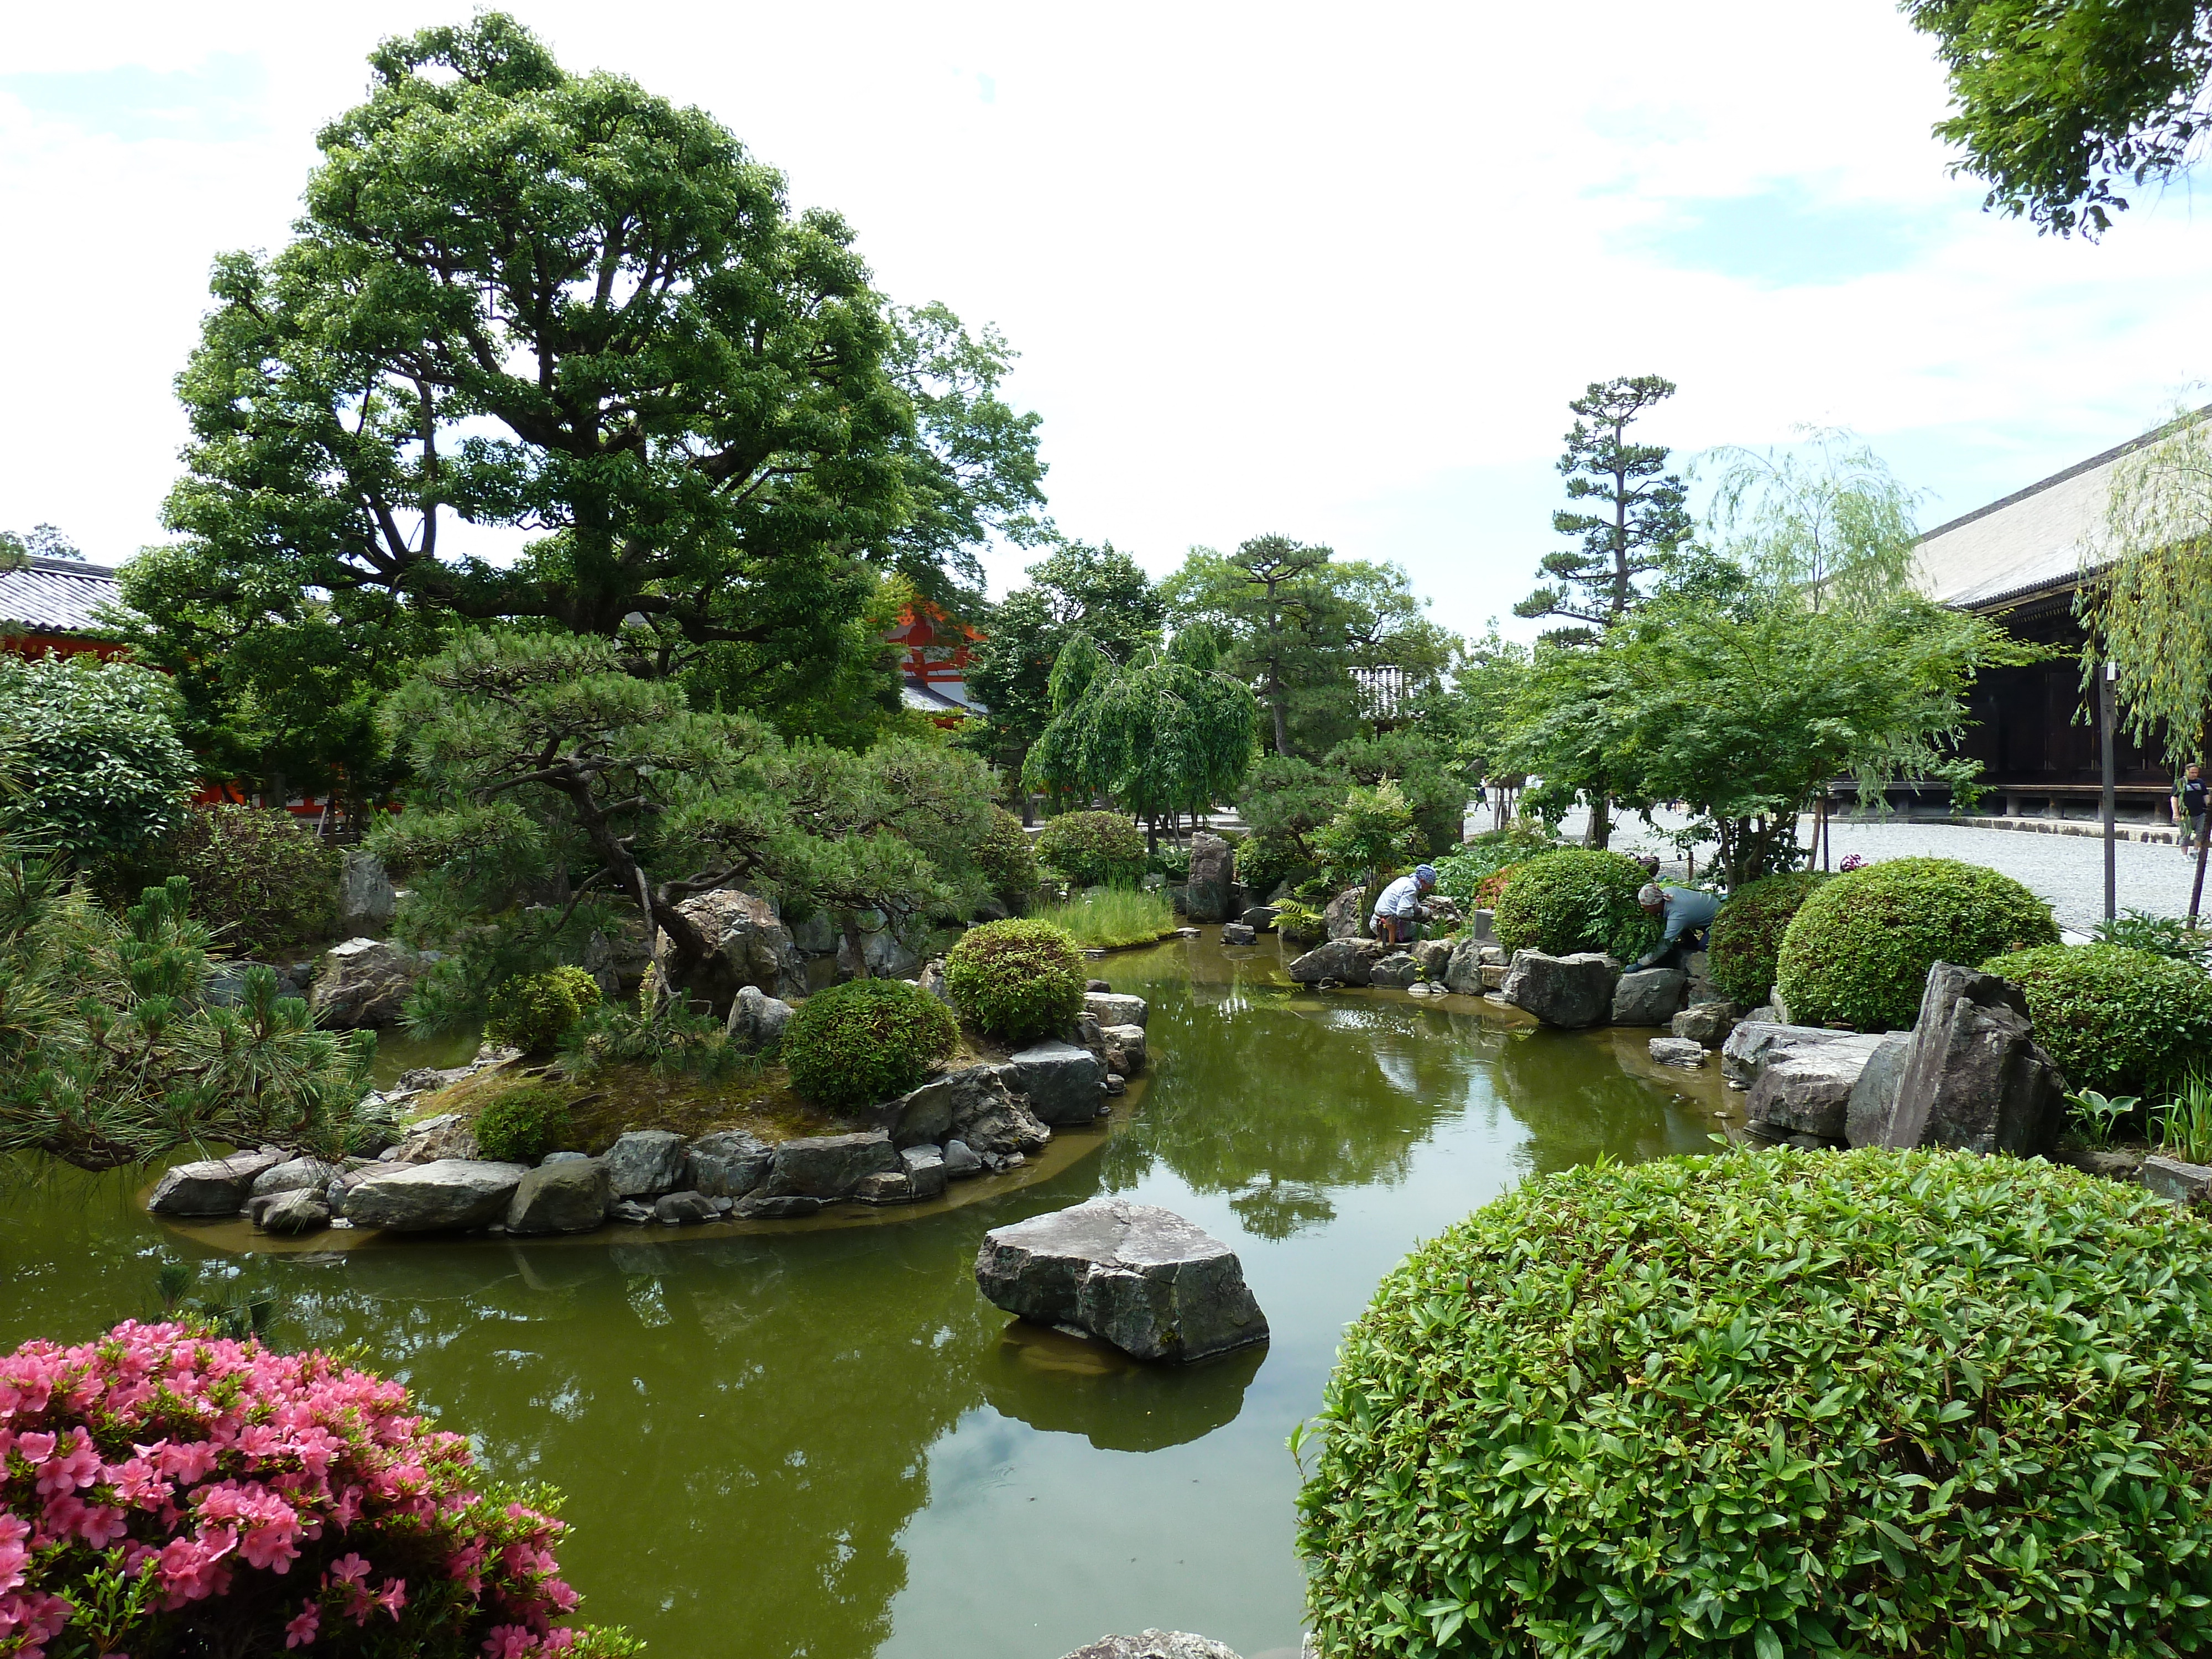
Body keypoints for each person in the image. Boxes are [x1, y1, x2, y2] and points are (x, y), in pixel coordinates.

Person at [1630, 881, 1720, 970]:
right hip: (1706, 910)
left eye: (1646, 907)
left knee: (1705, 946)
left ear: (1656, 904)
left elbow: (1666, 944)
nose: (1645, 910)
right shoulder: (1668, 892)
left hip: (1719, 918)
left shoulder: (1677, 915)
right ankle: (1692, 946)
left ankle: (1711, 966)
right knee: (1680, 930)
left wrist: (1642, 963)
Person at [1370, 864, 1438, 946]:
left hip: (1376, 923)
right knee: (1427, 931)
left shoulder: (1404, 880)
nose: (1429, 890)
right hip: (1388, 927)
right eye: (1429, 887)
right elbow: (1402, 913)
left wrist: (1422, 909)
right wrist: (1420, 912)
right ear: (1423, 881)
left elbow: (1411, 903)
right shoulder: (1411, 889)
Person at [2176, 763, 2208, 857]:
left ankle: (2195, 851)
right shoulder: (2181, 782)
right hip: (2185, 814)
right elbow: (2174, 798)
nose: (2195, 775)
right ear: (2186, 772)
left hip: (2200, 812)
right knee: (2185, 834)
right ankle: (2184, 855)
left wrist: (2208, 808)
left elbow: (2205, 795)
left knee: (2200, 833)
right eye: (2192, 772)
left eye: (2196, 773)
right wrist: (2176, 813)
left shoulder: (2200, 782)